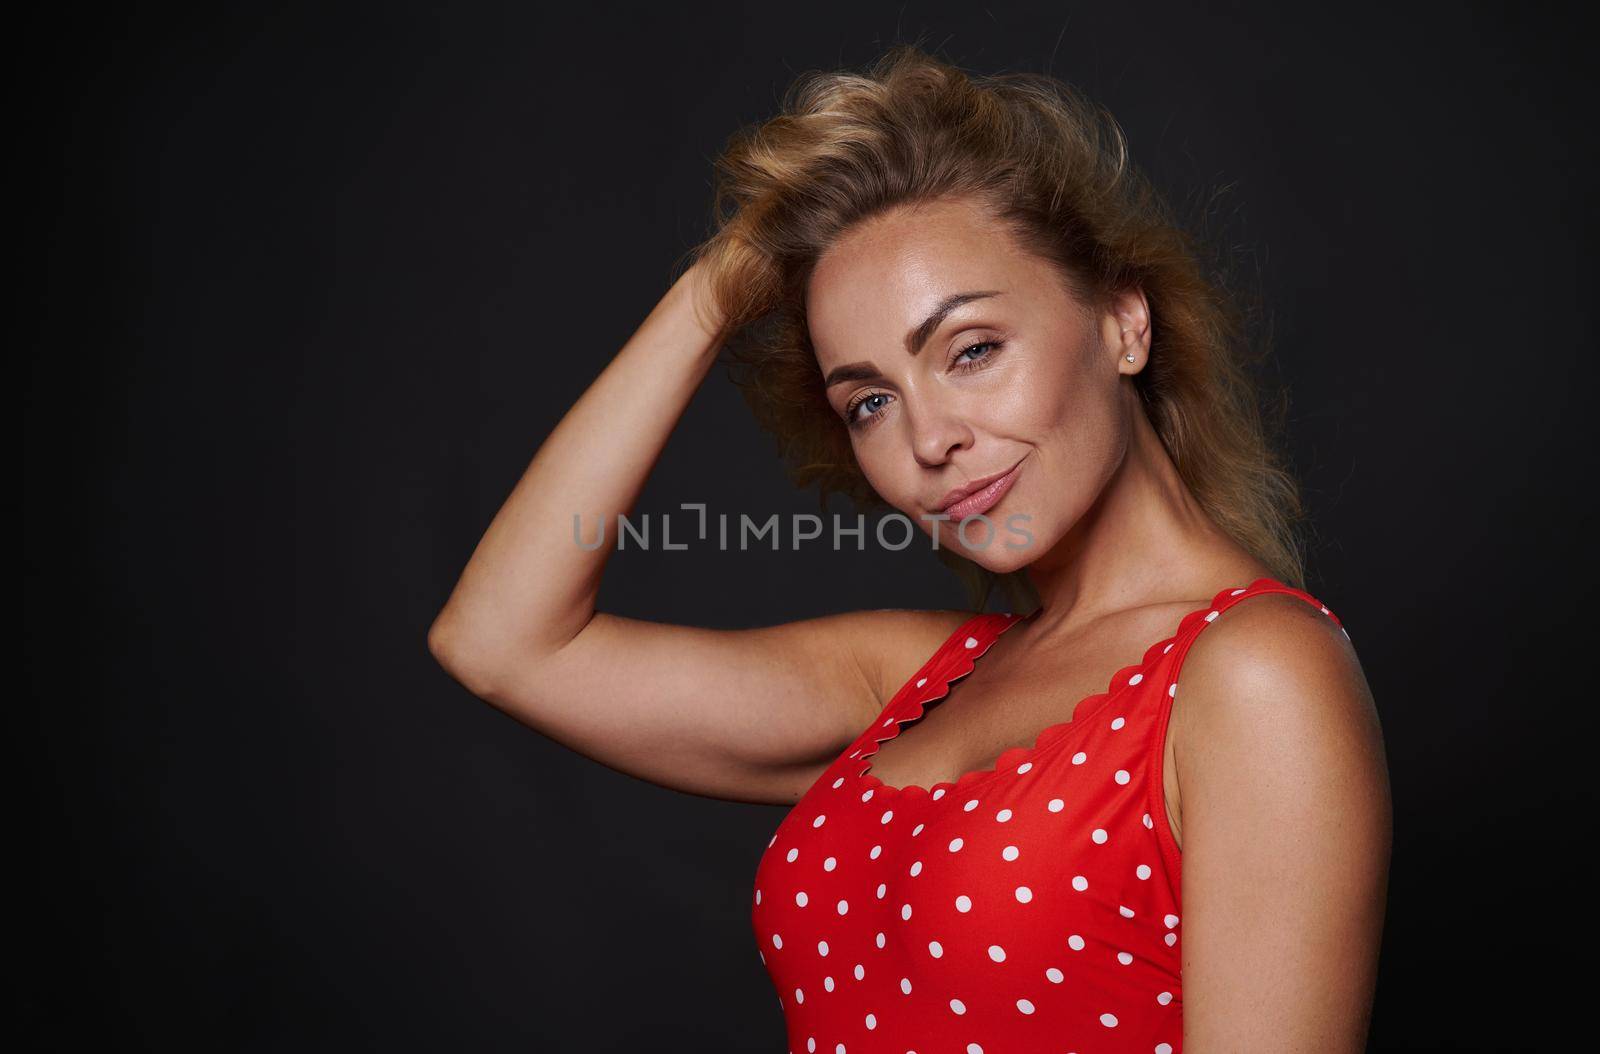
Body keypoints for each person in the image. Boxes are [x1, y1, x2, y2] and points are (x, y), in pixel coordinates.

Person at [428, 44, 1391, 1053]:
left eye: (971, 351)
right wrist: (719, 289)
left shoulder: (1255, 676)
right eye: (870, 401)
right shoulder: (915, 680)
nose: (929, 440)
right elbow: (500, 641)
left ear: (1122, 322)